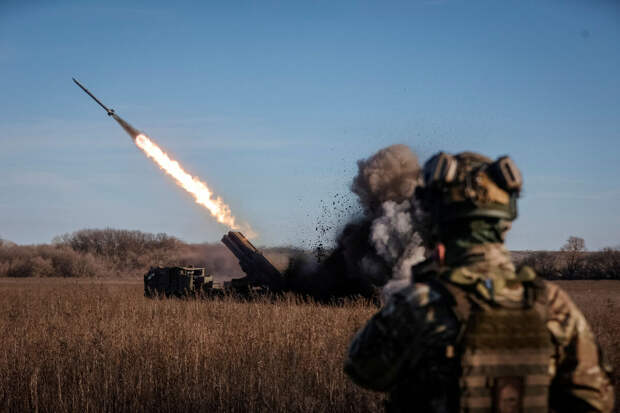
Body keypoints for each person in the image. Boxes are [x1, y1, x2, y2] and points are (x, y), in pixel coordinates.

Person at [344, 151, 614, 412]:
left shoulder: (420, 304)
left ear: (435, 221)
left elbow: (362, 370)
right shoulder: (552, 304)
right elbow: (595, 398)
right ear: (505, 220)